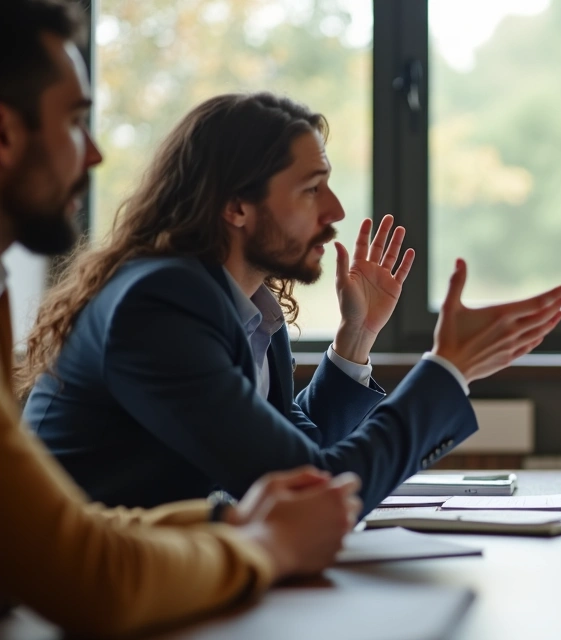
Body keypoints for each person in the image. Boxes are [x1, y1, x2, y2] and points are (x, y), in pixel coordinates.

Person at [16, 96, 561, 513]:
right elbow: (313, 485)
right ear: (237, 206)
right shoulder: (160, 305)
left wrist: (355, 340)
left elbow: (294, 447)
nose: (335, 210)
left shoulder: (250, 307)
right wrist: (447, 370)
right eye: (312, 188)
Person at [0, 1, 362, 635]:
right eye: (77, 122)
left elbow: (71, 532)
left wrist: (228, 525)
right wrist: (262, 546)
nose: (95, 156)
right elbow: (83, 569)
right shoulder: (163, 301)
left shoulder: (249, 308)